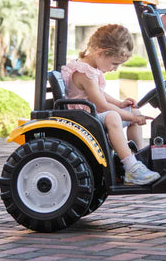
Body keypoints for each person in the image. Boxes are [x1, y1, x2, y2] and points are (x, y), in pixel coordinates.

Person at [61, 24, 160, 185]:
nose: (115, 69)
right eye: (114, 63)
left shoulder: (90, 70)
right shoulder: (84, 73)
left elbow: (99, 94)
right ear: (101, 52)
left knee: (133, 112)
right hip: (84, 118)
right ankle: (132, 169)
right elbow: (101, 106)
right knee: (114, 116)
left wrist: (121, 104)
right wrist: (130, 117)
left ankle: (139, 160)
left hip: (91, 114)